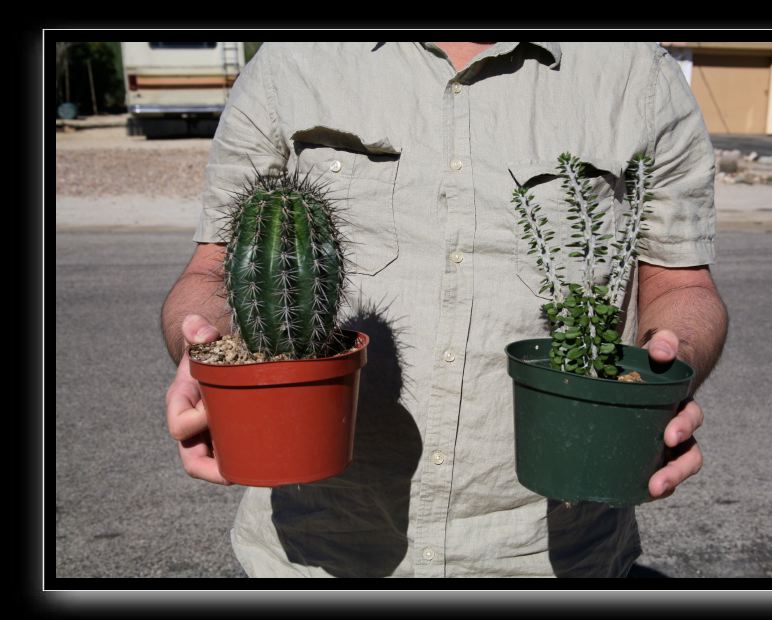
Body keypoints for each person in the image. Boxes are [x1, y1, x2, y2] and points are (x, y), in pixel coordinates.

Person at [162, 42, 728, 578]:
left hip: (546, 555)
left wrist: (668, 368)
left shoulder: (637, 74)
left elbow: (682, 284)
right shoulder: (294, 60)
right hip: (323, 547)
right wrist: (203, 353)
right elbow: (214, 271)